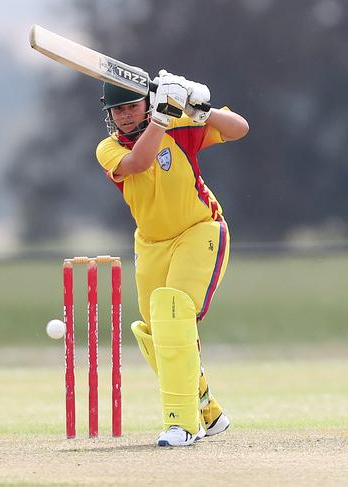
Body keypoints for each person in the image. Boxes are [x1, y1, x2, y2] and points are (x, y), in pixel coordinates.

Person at [95, 71, 249, 447]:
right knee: (156, 331)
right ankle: (207, 411)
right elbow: (140, 162)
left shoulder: (178, 124)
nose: (126, 115)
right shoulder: (108, 149)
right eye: (119, 110)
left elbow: (239, 128)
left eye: (132, 106)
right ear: (109, 115)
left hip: (200, 228)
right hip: (150, 244)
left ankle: (182, 424)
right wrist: (162, 116)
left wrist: (200, 106)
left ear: (146, 102)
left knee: (173, 310)